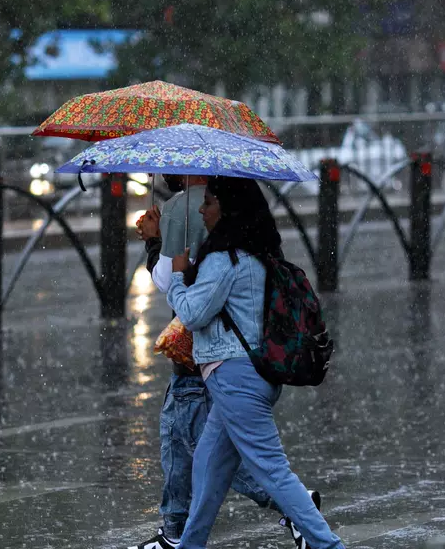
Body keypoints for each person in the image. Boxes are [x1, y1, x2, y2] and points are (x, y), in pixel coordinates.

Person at [129, 174, 301, 549]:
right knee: (182, 438)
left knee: (206, 448)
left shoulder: (190, 213)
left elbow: (177, 287)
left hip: (211, 353)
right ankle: (177, 531)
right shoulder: (240, 217)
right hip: (222, 353)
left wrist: (156, 242)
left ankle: (296, 510)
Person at [167, 176, 340, 549]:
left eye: (209, 202)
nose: (202, 209)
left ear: (228, 209)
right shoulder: (255, 254)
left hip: (235, 377)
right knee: (209, 467)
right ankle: (190, 545)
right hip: (250, 374)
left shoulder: (223, 258)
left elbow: (194, 314)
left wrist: (178, 278)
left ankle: (330, 546)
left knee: (273, 472)